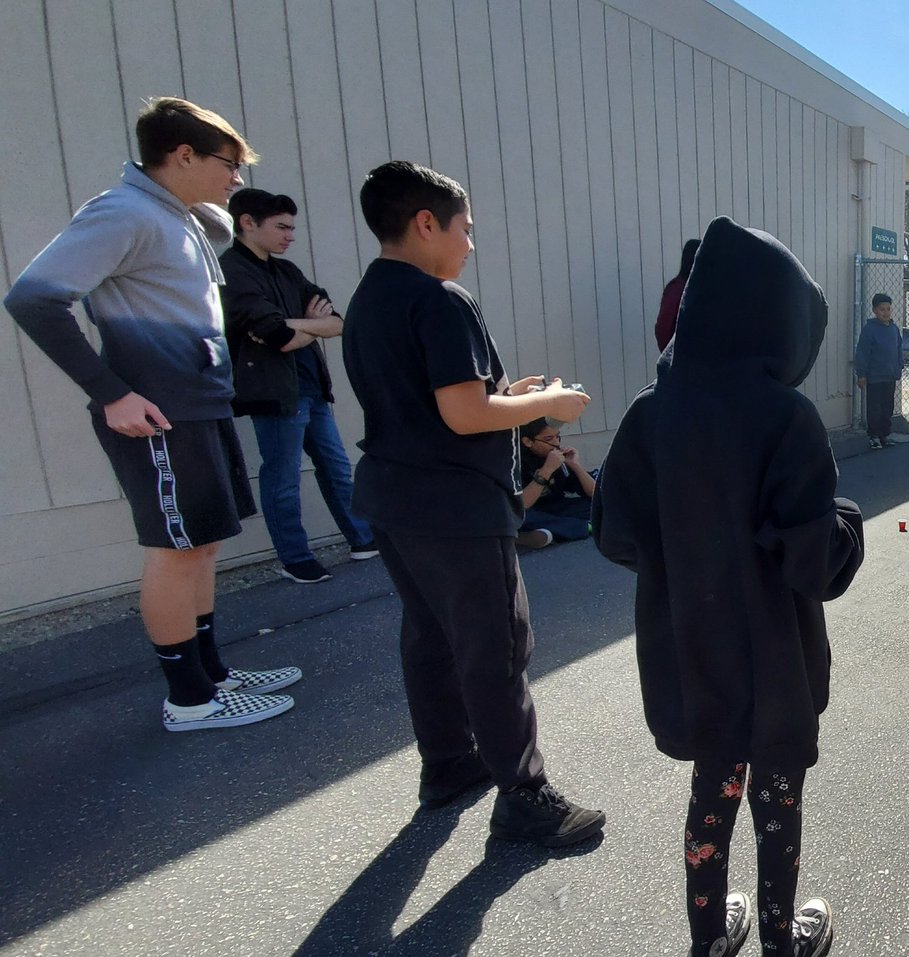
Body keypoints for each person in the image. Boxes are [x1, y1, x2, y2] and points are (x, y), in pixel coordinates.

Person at [593, 217, 864, 957]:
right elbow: (817, 562)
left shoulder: (652, 412)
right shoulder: (785, 416)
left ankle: (710, 938)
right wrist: (846, 518)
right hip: (775, 663)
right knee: (777, 800)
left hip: (691, 652)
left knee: (712, 796)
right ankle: (780, 938)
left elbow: (616, 534)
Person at [4, 97, 300, 731]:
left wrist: (200, 206)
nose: (237, 179)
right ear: (182, 155)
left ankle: (213, 674)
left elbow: (221, 228)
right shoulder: (123, 212)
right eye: (229, 163)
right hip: (157, 414)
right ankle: (189, 700)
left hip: (200, 404)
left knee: (204, 544)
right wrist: (111, 392)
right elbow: (32, 298)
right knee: (176, 550)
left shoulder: (178, 216)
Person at [341, 160, 605, 847]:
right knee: (495, 645)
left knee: (431, 637)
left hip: (395, 496)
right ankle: (524, 794)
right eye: (465, 228)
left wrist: (505, 396)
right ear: (426, 223)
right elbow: (463, 413)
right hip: (455, 506)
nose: (469, 243)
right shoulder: (440, 299)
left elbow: (438, 400)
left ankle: (450, 764)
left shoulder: (370, 297)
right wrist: (549, 403)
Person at [220, 188, 378, 584]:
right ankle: (295, 557)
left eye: (292, 227)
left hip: (310, 387)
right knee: (283, 478)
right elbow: (278, 337)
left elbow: (337, 323)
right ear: (247, 223)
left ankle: (363, 539)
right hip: (273, 394)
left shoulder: (286, 271)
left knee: (338, 468)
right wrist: (301, 327)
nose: (290, 235)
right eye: (282, 227)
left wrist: (292, 326)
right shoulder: (232, 272)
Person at [516, 418, 596, 549]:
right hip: (530, 511)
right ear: (528, 441)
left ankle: (544, 533)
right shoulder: (516, 463)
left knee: (596, 506)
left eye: (557, 437)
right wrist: (547, 470)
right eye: (548, 439)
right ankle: (585, 527)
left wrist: (575, 466)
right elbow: (520, 505)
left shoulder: (556, 457)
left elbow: (593, 493)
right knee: (517, 518)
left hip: (555, 508)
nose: (556, 443)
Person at [853, 293, 904, 449]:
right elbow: (862, 353)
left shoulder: (894, 329)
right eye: (882, 309)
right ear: (875, 310)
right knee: (875, 407)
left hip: (889, 376)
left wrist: (898, 368)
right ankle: (874, 436)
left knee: (887, 407)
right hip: (874, 377)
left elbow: (898, 350)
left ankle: (885, 434)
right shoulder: (870, 330)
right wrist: (861, 374)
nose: (886, 312)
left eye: (888, 309)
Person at [655, 238, 701, 352]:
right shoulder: (677, 289)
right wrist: (671, 356)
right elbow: (663, 327)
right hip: (684, 362)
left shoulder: (701, 288)